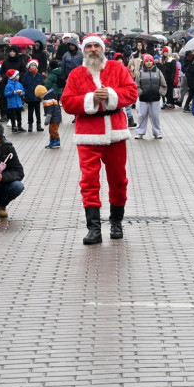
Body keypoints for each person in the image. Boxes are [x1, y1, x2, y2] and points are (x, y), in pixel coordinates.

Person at [60, 34, 139, 244]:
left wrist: (111, 95)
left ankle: (116, 222)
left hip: (116, 133)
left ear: (103, 49)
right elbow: (67, 102)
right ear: (83, 50)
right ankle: (93, 228)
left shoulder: (117, 68)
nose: (93, 49)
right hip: (88, 134)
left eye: (96, 46)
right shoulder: (76, 74)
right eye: (89, 46)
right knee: (89, 181)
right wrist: (91, 99)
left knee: (118, 179)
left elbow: (132, 92)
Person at [134, 54, 166, 140]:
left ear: (153, 62)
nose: (149, 63)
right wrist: (140, 93)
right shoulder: (140, 72)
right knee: (142, 116)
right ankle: (140, 132)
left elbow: (163, 84)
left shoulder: (158, 72)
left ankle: (157, 132)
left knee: (155, 116)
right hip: (143, 99)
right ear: (144, 62)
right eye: (147, 61)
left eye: (150, 61)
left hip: (155, 98)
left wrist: (160, 92)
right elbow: (136, 85)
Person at [35, 85, 62, 149]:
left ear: (42, 94)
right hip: (54, 117)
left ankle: (56, 141)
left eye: (39, 96)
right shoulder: (48, 97)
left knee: (53, 130)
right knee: (51, 130)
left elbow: (50, 110)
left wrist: (47, 118)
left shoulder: (48, 99)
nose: (40, 98)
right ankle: (52, 141)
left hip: (55, 117)